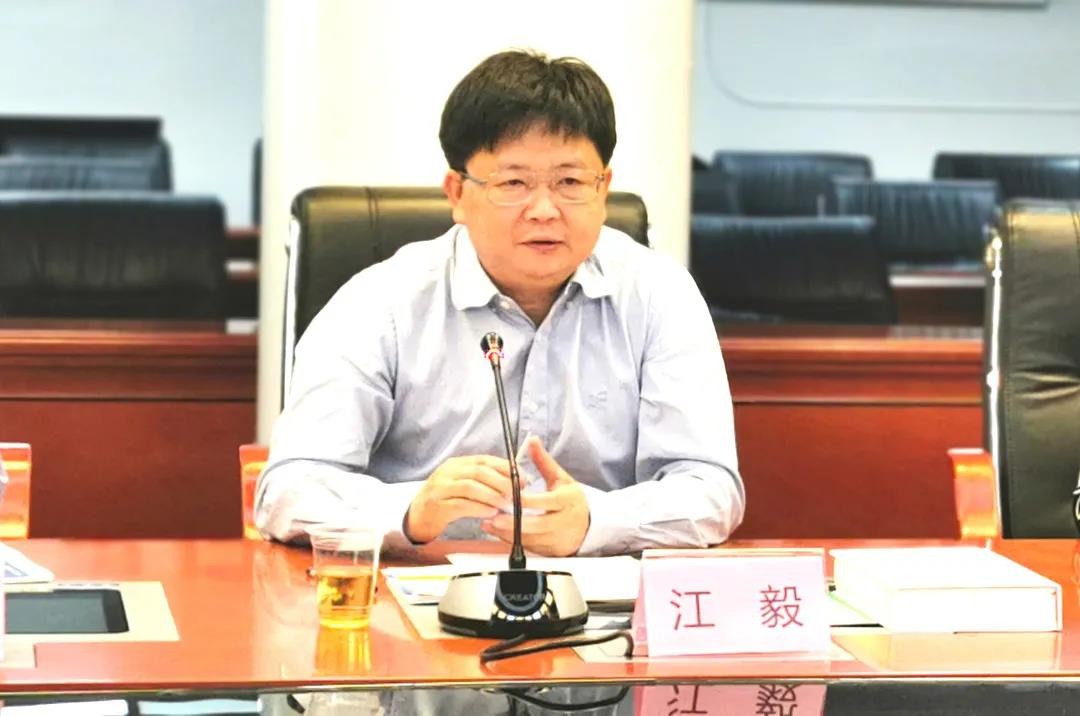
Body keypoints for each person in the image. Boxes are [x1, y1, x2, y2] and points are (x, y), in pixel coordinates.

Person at [255, 49, 743, 557]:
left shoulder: (660, 295)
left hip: (605, 596)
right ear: (457, 193)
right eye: (513, 183)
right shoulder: (380, 303)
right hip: (416, 587)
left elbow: (711, 488)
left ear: (604, 190)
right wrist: (410, 512)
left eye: (570, 182)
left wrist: (596, 522)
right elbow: (288, 489)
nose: (544, 210)